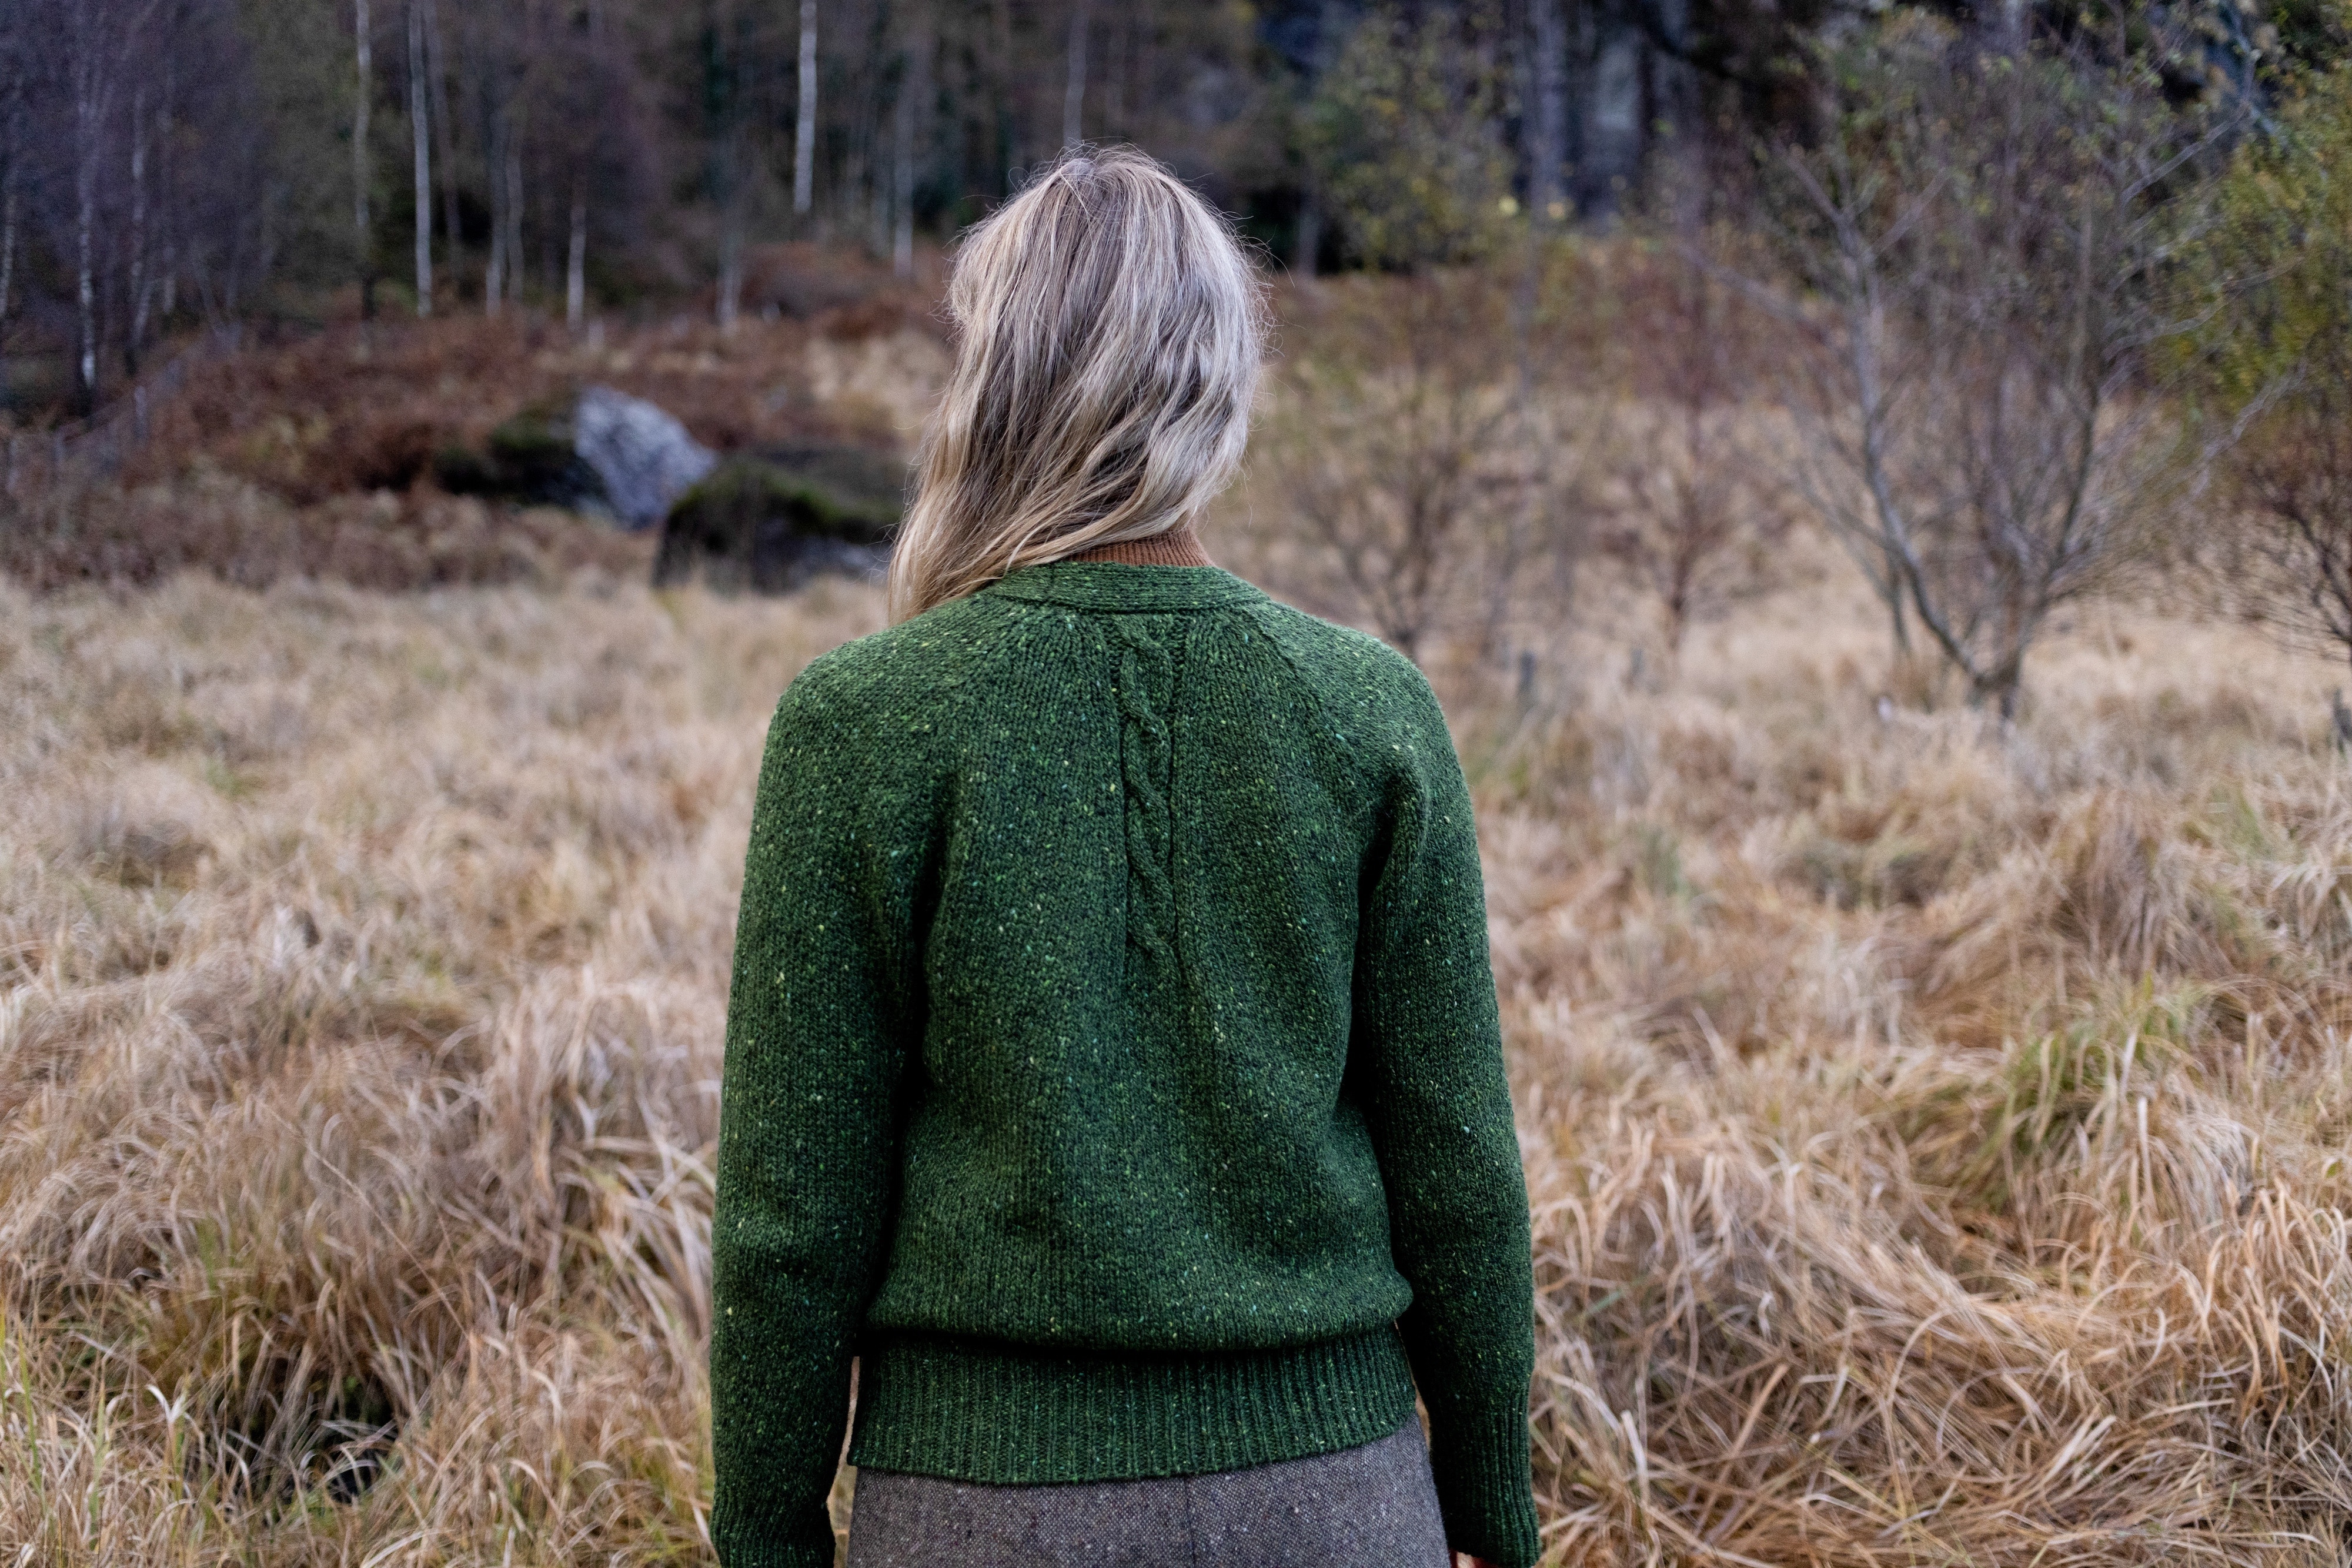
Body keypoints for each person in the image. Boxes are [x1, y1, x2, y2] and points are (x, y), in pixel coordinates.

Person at [709, 146, 1539, 1568]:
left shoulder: (864, 724)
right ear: (1217, 381)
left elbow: (792, 1220)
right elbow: (1457, 1168)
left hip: (976, 1513)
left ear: (996, 380)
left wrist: (768, 1535)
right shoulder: (1365, 711)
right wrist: (1490, 1510)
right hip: (1332, 1504)